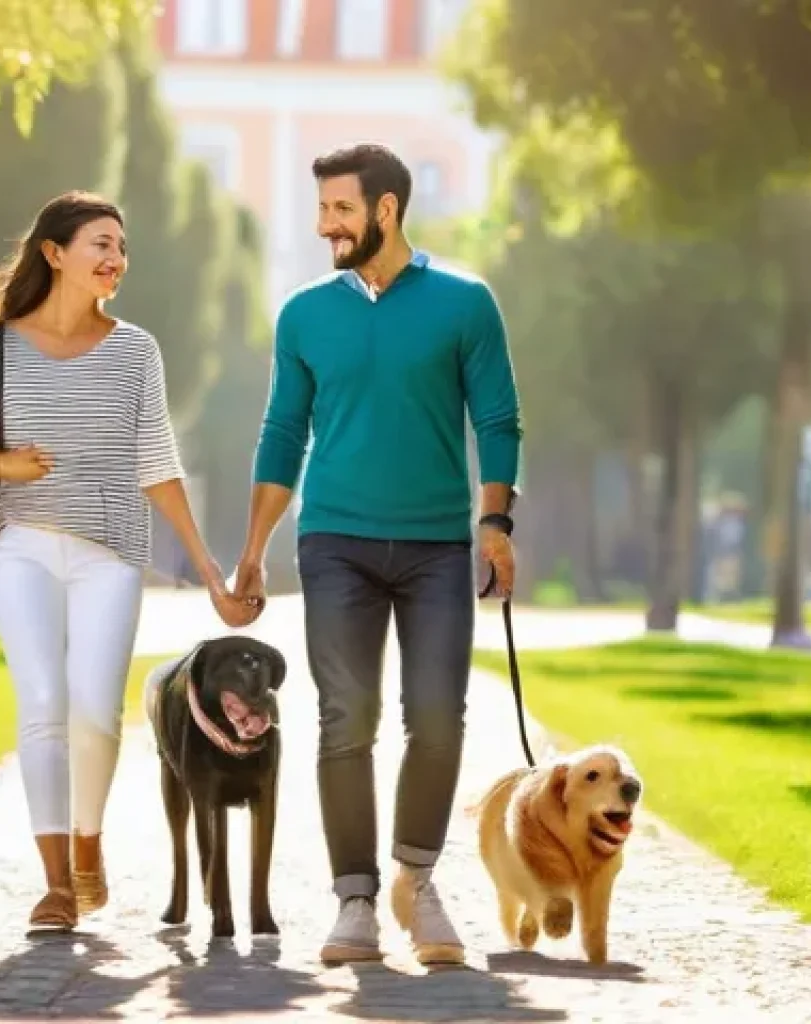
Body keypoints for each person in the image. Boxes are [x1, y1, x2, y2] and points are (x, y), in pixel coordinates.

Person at [232, 144, 523, 966]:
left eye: (340, 210)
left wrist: (496, 523)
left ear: (386, 210)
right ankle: (354, 900)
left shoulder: (465, 303)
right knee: (345, 717)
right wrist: (254, 549)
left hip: (435, 544)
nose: (325, 224)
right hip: (334, 541)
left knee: (437, 718)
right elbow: (282, 432)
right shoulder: (303, 314)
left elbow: (498, 419)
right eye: (322, 209)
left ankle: (417, 879)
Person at [0, 191, 257, 933]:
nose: (116, 259)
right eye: (100, 244)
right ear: (54, 252)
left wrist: (211, 572)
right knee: (44, 701)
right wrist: (2, 466)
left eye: (122, 247)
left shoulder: (135, 350)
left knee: (96, 714)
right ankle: (55, 884)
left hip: (110, 552)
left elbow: (157, 464)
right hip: (14, 545)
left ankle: (89, 845)